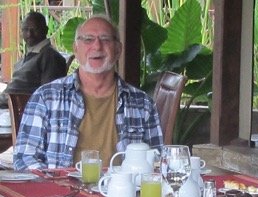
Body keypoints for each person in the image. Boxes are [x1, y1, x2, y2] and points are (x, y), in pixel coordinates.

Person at [13, 15, 163, 171]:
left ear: (118, 50)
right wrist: (55, 186)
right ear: (76, 49)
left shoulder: (142, 104)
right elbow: (24, 158)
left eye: (105, 39)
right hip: (62, 192)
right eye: (88, 40)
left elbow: (157, 162)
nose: (97, 46)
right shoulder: (46, 98)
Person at [0, 11, 67, 108]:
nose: (29, 34)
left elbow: (49, 96)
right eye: (25, 29)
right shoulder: (32, 54)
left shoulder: (50, 57)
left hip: (20, 110)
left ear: (45, 30)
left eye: (34, 29)